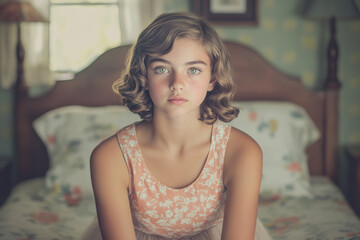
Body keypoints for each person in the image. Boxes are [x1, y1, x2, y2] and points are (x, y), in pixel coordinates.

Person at [82, 12, 272, 240]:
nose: (177, 84)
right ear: (144, 75)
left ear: (212, 79)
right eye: (162, 69)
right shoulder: (111, 157)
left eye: (193, 70)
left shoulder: (242, 152)